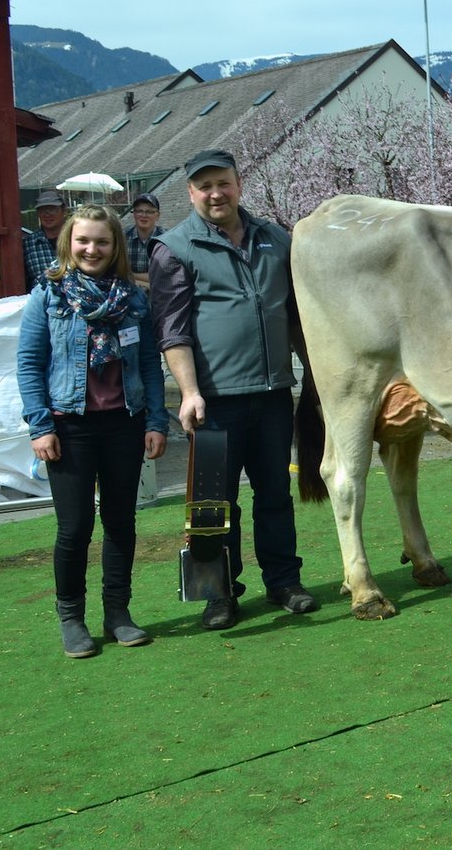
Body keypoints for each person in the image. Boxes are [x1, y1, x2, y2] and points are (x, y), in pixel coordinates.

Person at [149, 149, 317, 631]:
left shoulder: (274, 239)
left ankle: (284, 583)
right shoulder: (175, 248)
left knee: (275, 495)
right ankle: (217, 596)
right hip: (213, 402)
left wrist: (313, 374)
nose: (215, 193)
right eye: (204, 187)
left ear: (239, 184)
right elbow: (172, 330)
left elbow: (295, 315)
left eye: (223, 183)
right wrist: (188, 392)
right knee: (212, 506)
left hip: (271, 395)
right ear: (190, 193)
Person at [16, 205, 169, 657]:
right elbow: (29, 364)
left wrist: (156, 420)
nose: (92, 249)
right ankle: (72, 620)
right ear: (69, 243)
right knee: (75, 528)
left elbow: (149, 366)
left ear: (114, 246)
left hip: (125, 423)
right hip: (69, 426)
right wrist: (40, 426)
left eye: (102, 241)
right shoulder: (48, 294)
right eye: (83, 240)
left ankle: (118, 614)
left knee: (121, 523)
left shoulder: (133, 299)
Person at [23, 190, 64, 290]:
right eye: (42, 210)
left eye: (52, 209)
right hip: (41, 301)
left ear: (64, 210)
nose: (47, 214)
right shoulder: (28, 244)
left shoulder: (76, 239)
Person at [123, 193, 165, 291]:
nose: (144, 215)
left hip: (160, 296)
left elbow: (165, 277)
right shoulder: (122, 237)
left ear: (157, 215)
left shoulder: (166, 239)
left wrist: (131, 275)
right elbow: (117, 274)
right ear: (134, 214)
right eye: (139, 211)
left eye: (149, 212)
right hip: (129, 294)